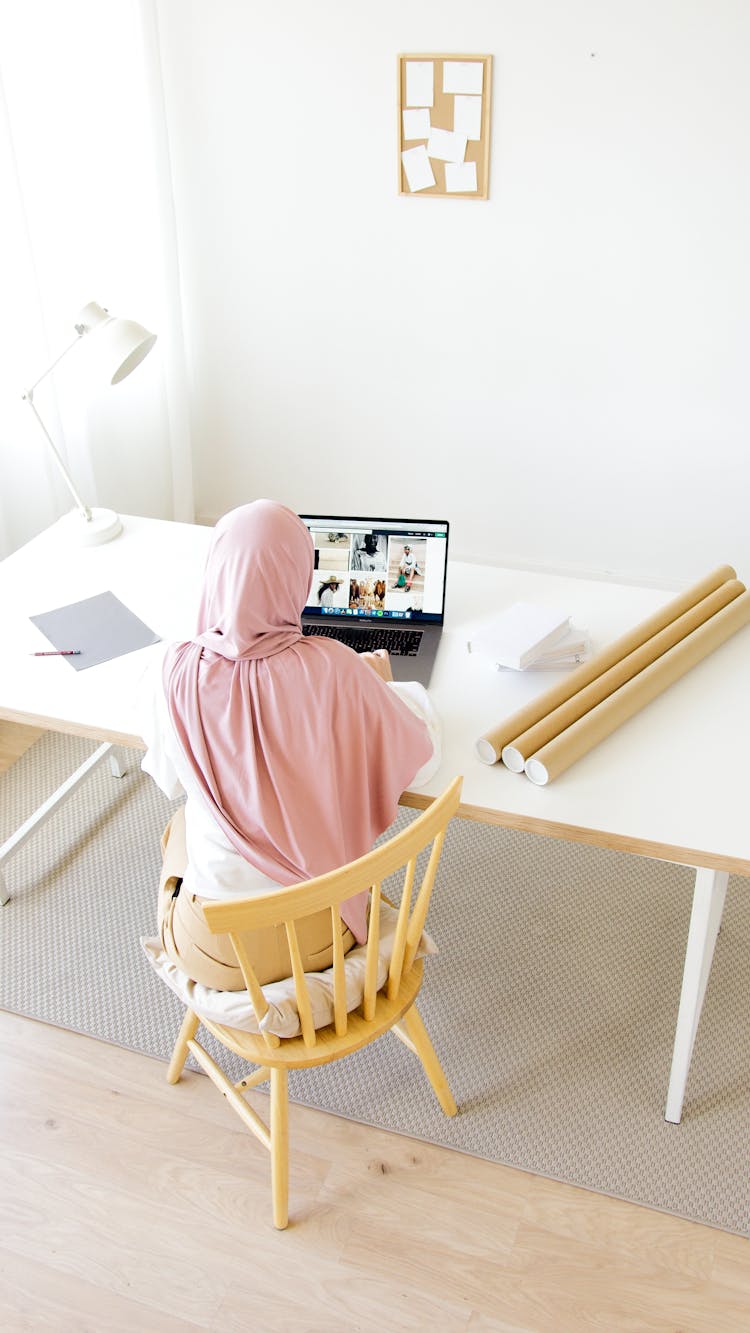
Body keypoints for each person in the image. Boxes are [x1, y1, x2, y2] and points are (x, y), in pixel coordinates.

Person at [139, 500, 441, 991]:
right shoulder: (333, 667)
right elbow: (421, 761)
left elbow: (171, 781)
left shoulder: (170, 669)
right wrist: (385, 691)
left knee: (179, 827)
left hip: (212, 951)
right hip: (322, 938)